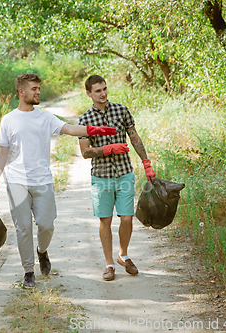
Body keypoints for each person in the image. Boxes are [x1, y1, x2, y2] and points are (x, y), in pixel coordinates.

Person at [0, 74, 118, 288]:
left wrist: (94, 130)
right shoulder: (8, 119)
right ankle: (28, 272)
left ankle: (42, 252)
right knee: (23, 227)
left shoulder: (46, 118)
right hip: (17, 181)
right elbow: (2, 153)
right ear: (21, 92)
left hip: (42, 180)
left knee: (46, 225)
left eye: (39, 89)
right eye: (34, 89)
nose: (38, 92)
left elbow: (71, 129)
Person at [78, 75, 156, 281]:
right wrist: (107, 149)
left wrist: (146, 162)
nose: (103, 93)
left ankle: (124, 255)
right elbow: (85, 153)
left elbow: (134, 137)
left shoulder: (121, 110)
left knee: (127, 217)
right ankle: (109, 264)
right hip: (101, 176)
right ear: (89, 94)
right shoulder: (85, 119)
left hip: (124, 172)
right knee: (105, 220)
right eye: (97, 91)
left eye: (104, 89)